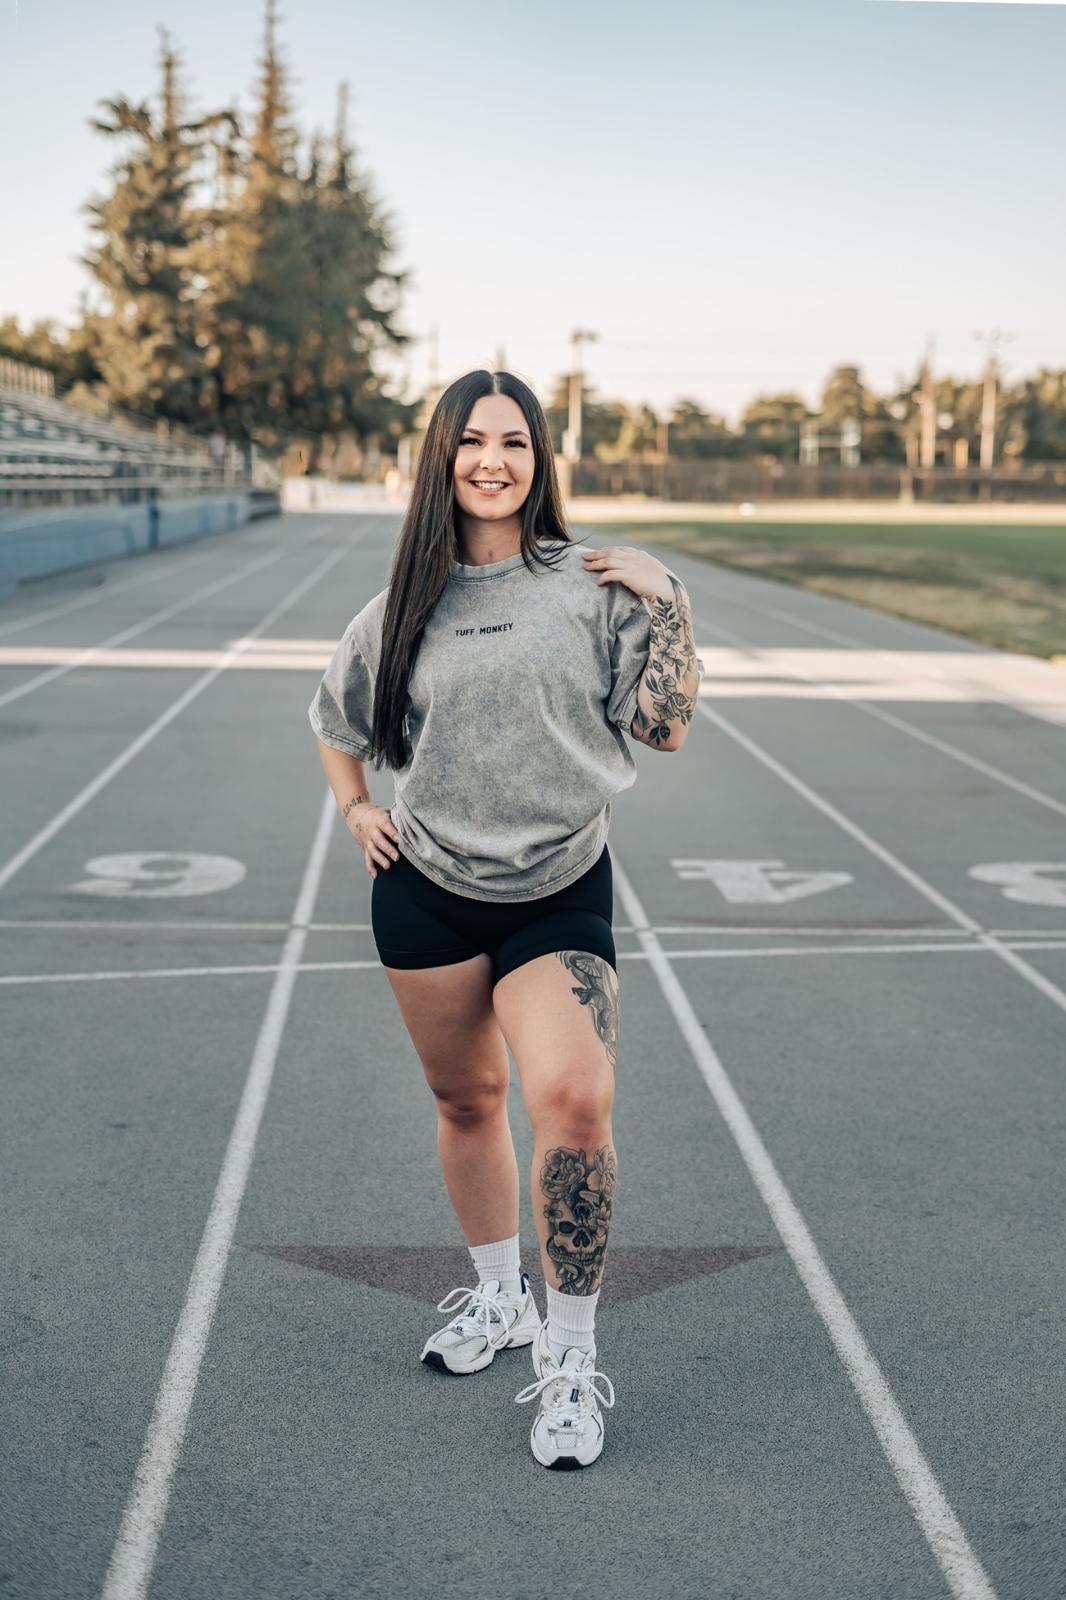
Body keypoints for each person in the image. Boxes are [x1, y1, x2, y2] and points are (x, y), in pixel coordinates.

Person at [308, 369, 703, 1469]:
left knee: (574, 1099)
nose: (494, 459)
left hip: (555, 885)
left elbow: (663, 728)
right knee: (467, 1098)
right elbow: (335, 718)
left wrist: (668, 600)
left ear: (540, 462)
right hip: (425, 887)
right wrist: (354, 808)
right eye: (473, 441)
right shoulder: (397, 607)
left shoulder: (585, 584)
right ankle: (498, 1300)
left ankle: (568, 1360)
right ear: (442, 458)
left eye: (515, 443)